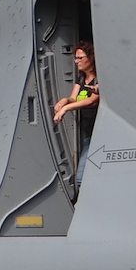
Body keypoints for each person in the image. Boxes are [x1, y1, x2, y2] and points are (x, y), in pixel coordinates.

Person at [53, 40, 99, 193]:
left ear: (90, 58)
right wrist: (64, 101)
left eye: (80, 58)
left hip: (99, 134)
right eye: (76, 58)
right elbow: (74, 98)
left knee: (81, 178)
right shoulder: (81, 79)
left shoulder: (99, 79)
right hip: (89, 135)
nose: (76, 61)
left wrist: (65, 109)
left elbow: (91, 100)